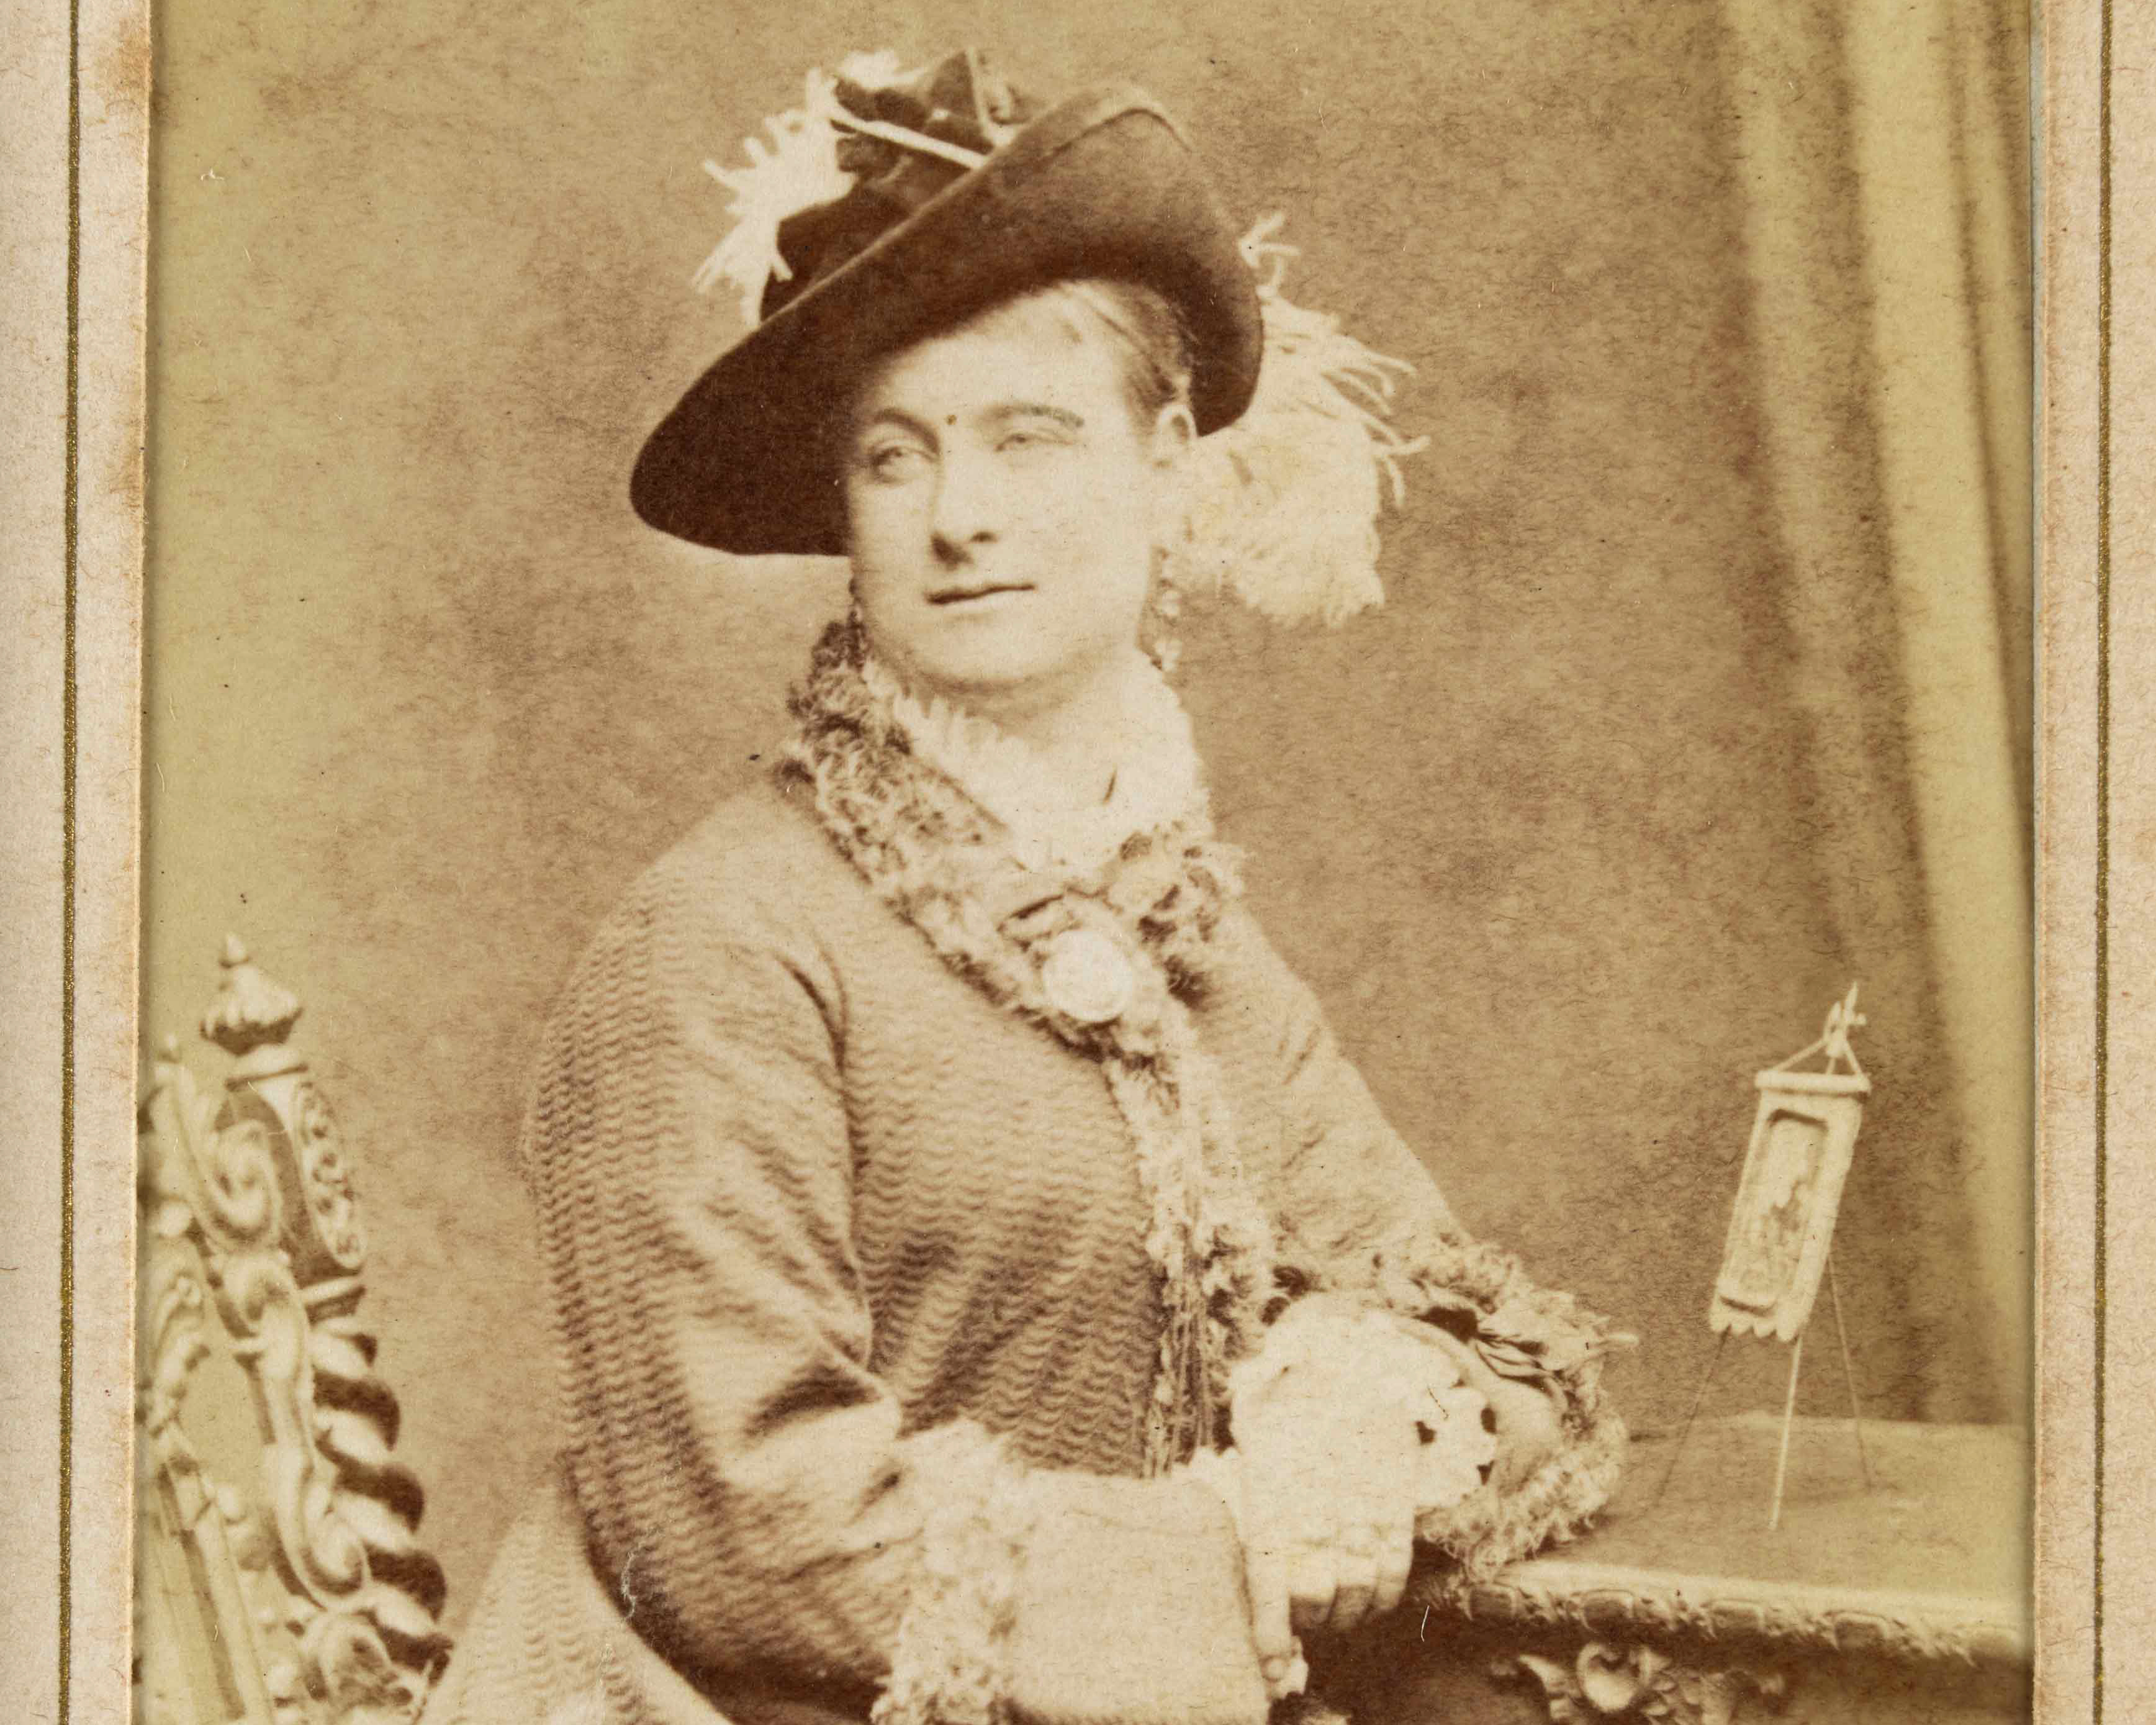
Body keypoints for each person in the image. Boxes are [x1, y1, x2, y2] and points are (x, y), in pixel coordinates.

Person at [423, 48, 1628, 1725]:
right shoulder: (716, 946)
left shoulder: (1183, 939)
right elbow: (739, 1527)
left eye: (1027, 437)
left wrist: (1370, 1410)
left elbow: (1487, 1346)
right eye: (895, 458)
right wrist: (1231, 1544)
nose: (960, 517)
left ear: (1165, 461)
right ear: (844, 510)